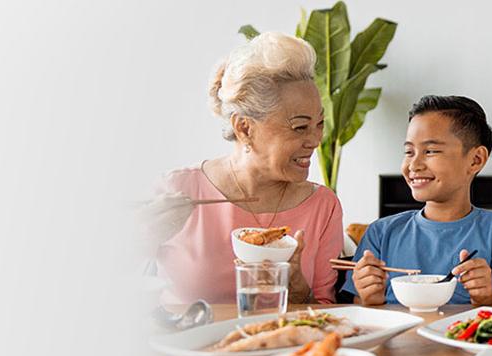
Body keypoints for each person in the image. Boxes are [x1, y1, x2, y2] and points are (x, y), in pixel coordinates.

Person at [141, 32, 344, 304]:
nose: (316, 140)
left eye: (319, 124)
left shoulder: (323, 206)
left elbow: (327, 313)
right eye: (299, 127)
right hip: (187, 344)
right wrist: (137, 239)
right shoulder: (178, 191)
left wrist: (298, 292)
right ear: (245, 128)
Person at [342, 96, 492, 306]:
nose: (414, 164)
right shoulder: (380, 233)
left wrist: (486, 299)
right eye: (409, 152)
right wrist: (370, 299)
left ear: (475, 160)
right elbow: (361, 313)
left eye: (430, 151)